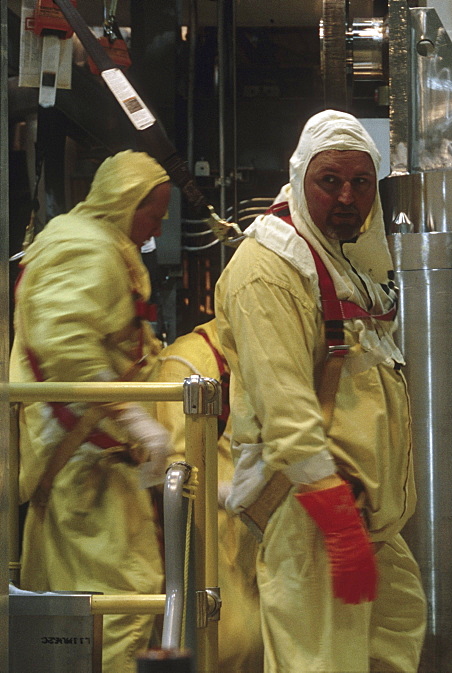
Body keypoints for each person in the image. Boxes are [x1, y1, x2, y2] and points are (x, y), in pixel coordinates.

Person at [215, 110, 426, 673]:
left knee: (395, 642)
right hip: (310, 513)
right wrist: (335, 521)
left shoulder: (340, 261)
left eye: (361, 182)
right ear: (300, 177)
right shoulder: (268, 270)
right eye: (329, 181)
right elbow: (285, 406)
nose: (347, 196)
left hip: (370, 519)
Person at [12, 150, 174, 673]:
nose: (160, 224)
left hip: (90, 459)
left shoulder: (95, 244)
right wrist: (134, 417)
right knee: (121, 597)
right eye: (154, 211)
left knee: (86, 601)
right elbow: (64, 342)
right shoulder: (85, 247)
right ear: (125, 201)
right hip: (80, 462)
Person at [154, 319, 264, 673]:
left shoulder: (255, 356)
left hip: (251, 530)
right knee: (235, 643)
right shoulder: (190, 359)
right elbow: (175, 464)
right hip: (205, 535)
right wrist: (223, 494)